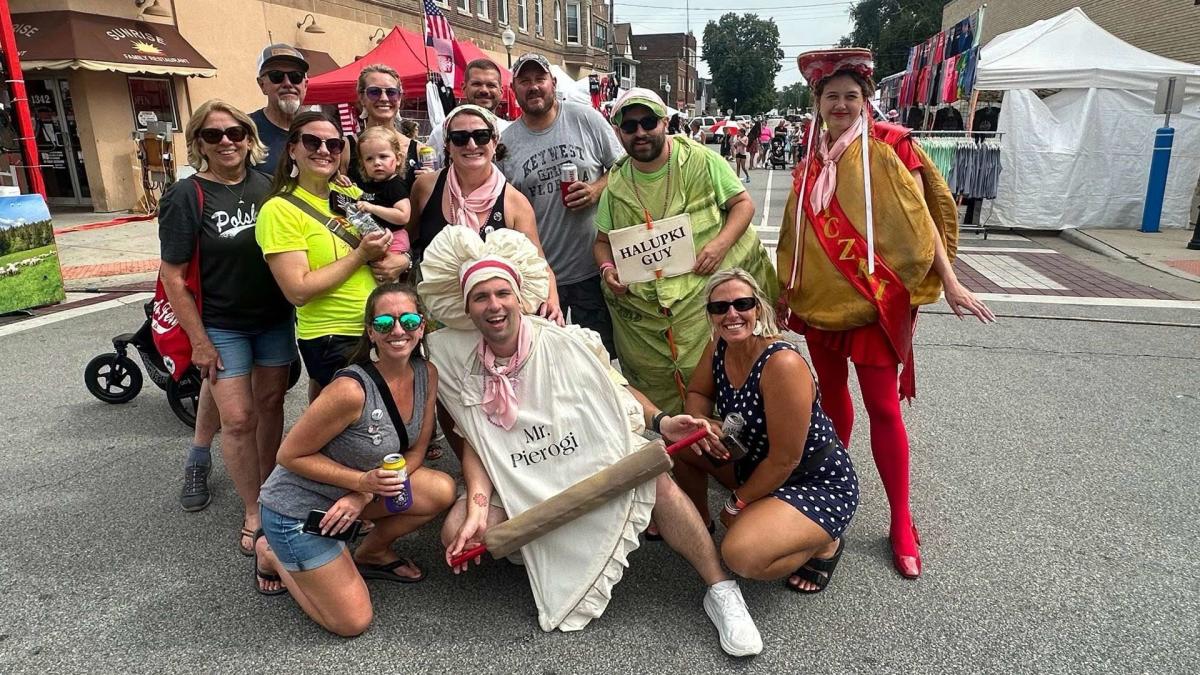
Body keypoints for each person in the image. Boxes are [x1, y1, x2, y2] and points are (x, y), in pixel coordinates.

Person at [419, 227, 763, 656]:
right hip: (520, 475)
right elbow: (476, 440)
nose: (494, 306)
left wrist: (661, 421)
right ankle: (541, 544)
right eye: (481, 297)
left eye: (502, 293)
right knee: (457, 530)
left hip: (584, 458)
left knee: (652, 476)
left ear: (519, 294)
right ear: (465, 307)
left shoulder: (566, 341)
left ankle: (721, 588)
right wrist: (477, 505)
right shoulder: (452, 357)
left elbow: (613, 386)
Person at [776, 48, 995, 580]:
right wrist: (785, 289)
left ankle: (901, 519)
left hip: (875, 303)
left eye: (852, 96)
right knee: (830, 405)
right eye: (833, 97)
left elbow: (923, 223)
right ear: (818, 102)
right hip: (825, 305)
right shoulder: (811, 161)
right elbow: (796, 236)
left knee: (883, 408)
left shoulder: (893, 146)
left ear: (865, 99)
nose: (842, 105)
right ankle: (833, 496)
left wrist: (951, 281)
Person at [253, 283, 456, 634]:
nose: (397, 330)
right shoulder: (350, 390)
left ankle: (370, 553)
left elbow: (417, 451)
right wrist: (361, 483)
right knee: (351, 623)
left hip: (353, 499)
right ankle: (272, 554)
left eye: (408, 320)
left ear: (422, 326)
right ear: (370, 333)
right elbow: (289, 455)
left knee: (440, 489)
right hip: (298, 510)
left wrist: (363, 493)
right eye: (383, 324)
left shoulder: (426, 374)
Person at [159, 99, 296, 555]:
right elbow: (173, 276)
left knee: (272, 403)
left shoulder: (269, 188)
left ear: (248, 138)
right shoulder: (187, 194)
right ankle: (255, 509)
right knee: (238, 418)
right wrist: (198, 340)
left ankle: (272, 491)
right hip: (221, 324)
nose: (226, 142)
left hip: (274, 319)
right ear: (199, 142)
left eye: (235, 133)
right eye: (214, 135)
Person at [594, 88, 776, 417]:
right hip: (647, 316)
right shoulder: (617, 183)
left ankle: (732, 442)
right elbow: (602, 241)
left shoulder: (701, 160)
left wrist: (719, 245)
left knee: (721, 380)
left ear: (665, 122)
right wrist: (608, 269)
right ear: (618, 132)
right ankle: (680, 451)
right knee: (661, 396)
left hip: (700, 299)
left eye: (648, 122)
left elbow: (742, 205)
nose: (640, 133)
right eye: (629, 126)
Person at [675, 269, 858, 593]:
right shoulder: (719, 343)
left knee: (741, 555)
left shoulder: (781, 364)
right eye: (720, 307)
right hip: (754, 461)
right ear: (711, 315)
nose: (731, 314)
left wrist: (737, 502)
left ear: (757, 308)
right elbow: (698, 394)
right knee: (679, 441)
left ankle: (825, 543)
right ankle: (699, 524)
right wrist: (701, 424)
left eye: (741, 304)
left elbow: (786, 460)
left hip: (811, 480)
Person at [256, 111, 404, 402]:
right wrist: (361, 254)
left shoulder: (344, 192)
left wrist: (402, 258)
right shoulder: (279, 210)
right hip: (334, 335)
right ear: (292, 149)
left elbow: (382, 235)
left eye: (333, 144)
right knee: (358, 428)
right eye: (312, 142)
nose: (323, 150)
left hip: (378, 325)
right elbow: (298, 291)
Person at [498, 53, 623, 358]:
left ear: (552, 83)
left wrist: (595, 189)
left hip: (592, 270)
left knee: (601, 359)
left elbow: (623, 166)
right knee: (546, 361)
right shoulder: (506, 142)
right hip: (539, 276)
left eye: (539, 79)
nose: (533, 87)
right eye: (524, 81)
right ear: (514, 89)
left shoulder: (586, 119)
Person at [409, 105, 562, 325]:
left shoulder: (514, 202)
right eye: (460, 138)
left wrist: (552, 300)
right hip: (437, 316)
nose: (471, 145)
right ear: (447, 145)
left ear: (494, 142)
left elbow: (537, 261)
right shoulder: (425, 187)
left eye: (481, 136)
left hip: (494, 320)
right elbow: (408, 239)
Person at [340, 64, 428, 191]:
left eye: (391, 92)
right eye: (374, 92)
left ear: (399, 98)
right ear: (362, 97)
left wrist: (430, 182)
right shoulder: (346, 148)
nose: (384, 98)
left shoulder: (419, 150)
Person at [426, 59, 512, 158]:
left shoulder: (510, 132)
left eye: (491, 85)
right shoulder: (440, 133)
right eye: (476, 84)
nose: (484, 90)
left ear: (501, 92)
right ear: (464, 88)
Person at [249, 44, 309, 176]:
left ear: (305, 85)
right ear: (262, 85)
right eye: (276, 76)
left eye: (296, 76)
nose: (287, 83)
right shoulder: (244, 130)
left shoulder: (318, 130)